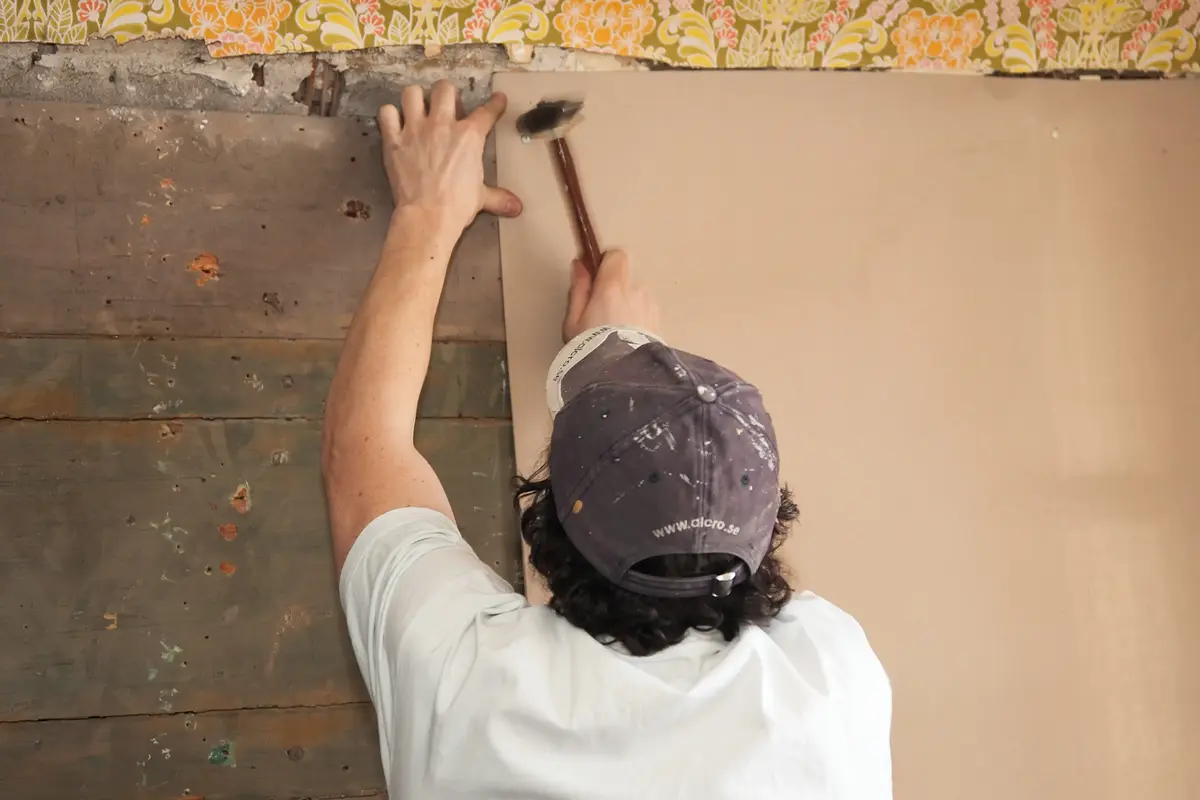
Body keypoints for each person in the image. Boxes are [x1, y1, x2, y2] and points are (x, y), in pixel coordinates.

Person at [322, 80, 893, 799]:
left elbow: (364, 448)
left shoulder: (476, 684)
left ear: (551, 525)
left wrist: (428, 213)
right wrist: (620, 366)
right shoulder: (831, 683)